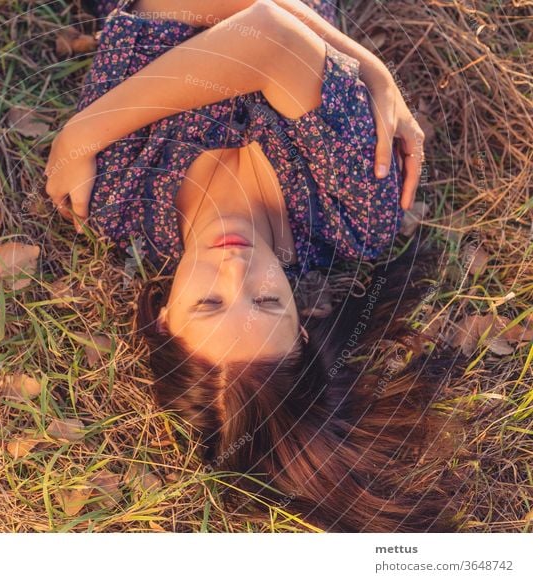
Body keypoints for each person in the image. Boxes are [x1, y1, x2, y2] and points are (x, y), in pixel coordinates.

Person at [44, 0, 466, 531]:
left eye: (209, 303)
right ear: (305, 326)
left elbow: (178, 9)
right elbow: (266, 34)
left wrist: (346, 63)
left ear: (163, 320)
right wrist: (364, 67)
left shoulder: (119, 198)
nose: (235, 269)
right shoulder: (351, 213)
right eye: (266, 302)